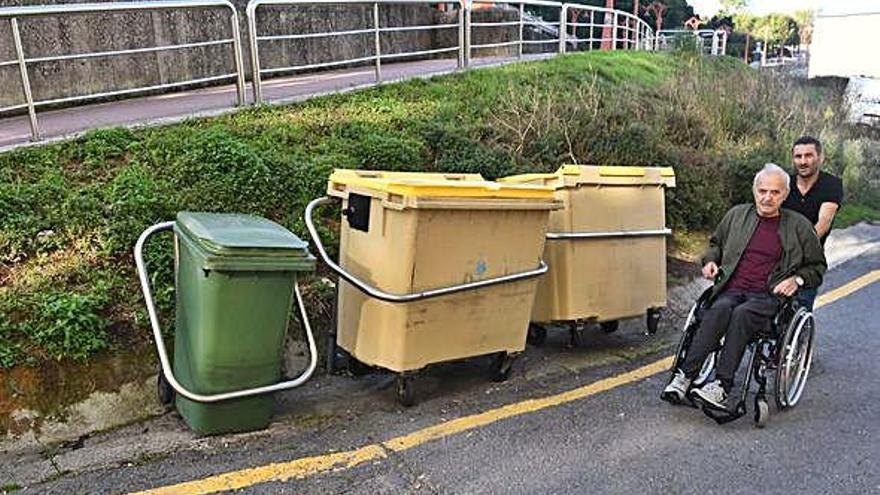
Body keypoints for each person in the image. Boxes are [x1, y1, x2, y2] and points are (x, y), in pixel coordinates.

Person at [662, 163, 826, 410]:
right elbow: (715, 244)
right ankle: (684, 377)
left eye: (774, 192)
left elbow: (817, 266)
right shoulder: (737, 215)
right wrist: (710, 262)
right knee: (718, 309)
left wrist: (797, 280)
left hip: (768, 296)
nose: (767, 198)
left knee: (742, 315)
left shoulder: (799, 226)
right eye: (762, 191)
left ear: (785, 194)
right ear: (754, 191)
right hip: (732, 289)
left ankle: (721, 385)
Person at [782, 135, 843, 310]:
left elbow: (824, 222)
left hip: (809, 258)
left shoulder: (831, 184)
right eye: (798, 156)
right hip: (778, 254)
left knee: (801, 307)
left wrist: (797, 249)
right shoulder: (785, 182)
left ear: (820, 158)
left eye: (808, 155)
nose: (803, 161)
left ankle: (800, 335)